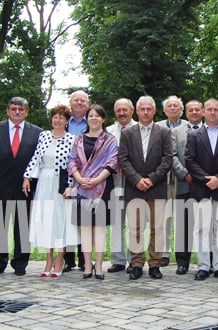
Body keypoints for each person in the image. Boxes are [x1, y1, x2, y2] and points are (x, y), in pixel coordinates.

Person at [0, 97, 42, 277]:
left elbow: (38, 161)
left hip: (24, 188)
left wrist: (33, 183)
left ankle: (20, 263)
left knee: (22, 226)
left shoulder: (37, 133)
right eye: (14, 108)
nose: (17, 112)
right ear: (8, 111)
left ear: (26, 112)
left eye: (21, 109)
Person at [118, 96, 173, 280]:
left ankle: (155, 264)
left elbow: (167, 159)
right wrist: (136, 179)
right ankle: (137, 263)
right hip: (134, 188)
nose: (146, 112)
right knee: (135, 228)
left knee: (157, 228)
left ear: (154, 110)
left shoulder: (164, 132)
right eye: (142, 109)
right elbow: (123, 160)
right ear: (137, 111)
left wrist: (151, 179)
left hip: (156, 187)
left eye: (149, 109)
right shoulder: (127, 133)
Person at [22, 105, 78, 278]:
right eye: (55, 117)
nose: (57, 120)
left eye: (61, 117)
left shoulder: (72, 139)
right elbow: (36, 158)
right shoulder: (44, 136)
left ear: (67, 121)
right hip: (45, 182)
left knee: (60, 221)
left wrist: (72, 186)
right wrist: (27, 177)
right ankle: (48, 258)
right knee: (46, 219)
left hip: (62, 183)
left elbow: (74, 164)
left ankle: (60, 258)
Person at [185, 98, 218, 281]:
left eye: (216, 109)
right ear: (204, 112)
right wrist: (206, 179)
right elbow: (189, 160)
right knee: (202, 229)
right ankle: (204, 266)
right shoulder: (193, 135)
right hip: (201, 189)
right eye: (209, 109)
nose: (213, 112)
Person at [68, 104, 119, 280]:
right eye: (91, 116)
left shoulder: (110, 140)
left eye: (98, 116)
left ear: (103, 119)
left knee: (99, 229)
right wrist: (80, 179)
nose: (94, 119)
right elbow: (72, 161)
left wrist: (96, 180)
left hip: (103, 188)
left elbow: (112, 163)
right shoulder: (79, 140)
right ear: (87, 119)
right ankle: (87, 265)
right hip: (82, 188)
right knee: (85, 229)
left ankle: (99, 266)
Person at [170, 99, 204, 275]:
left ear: (203, 112)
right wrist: (184, 174)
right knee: (184, 225)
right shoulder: (175, 132)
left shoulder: (211, 131)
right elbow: (172, 156)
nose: (194, 112)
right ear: (186, 113)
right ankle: (182, 262)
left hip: (205, 186)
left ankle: (208, 261)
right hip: (185, 184)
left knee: (207, 225)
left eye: (197, 110)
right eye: (191, 110)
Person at [105, 98, 137, 274]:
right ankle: (118, 260)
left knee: (134, 223)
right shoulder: (108, 131)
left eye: (125, 109)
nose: (122, 113)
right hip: (114, 182)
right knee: (116, 223)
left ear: (132, 110)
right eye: (118, 110)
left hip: (134, 182)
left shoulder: (140, 129)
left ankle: (135, 260)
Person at [156, 95, 189, 266]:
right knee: (164, 217)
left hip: (183, 179)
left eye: (176, 105)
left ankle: (183, 255)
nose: (173, 108)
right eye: (170, 105)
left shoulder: (188, 126)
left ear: (181, 109)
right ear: (164, 110)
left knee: (183, 218)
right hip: (164, 179)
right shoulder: (158, 127)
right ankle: (164, 253)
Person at [64, 90, 89, 272]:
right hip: (65, 177)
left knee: (84, 219)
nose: (80, 103)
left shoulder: (94, 121)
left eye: (83, 100)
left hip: (88, 177)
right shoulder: (62, 121)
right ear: (70, 103)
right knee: (66, 219)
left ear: (88, 104)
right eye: (76, 100)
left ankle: (83, 259)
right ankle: (67, 259)